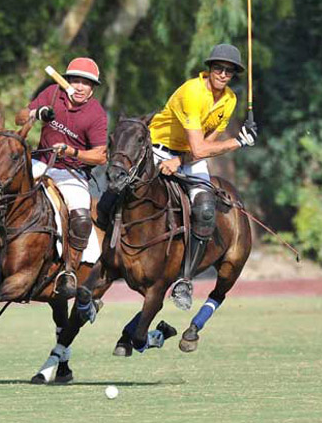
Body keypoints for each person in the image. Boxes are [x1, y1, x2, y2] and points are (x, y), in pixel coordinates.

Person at [98, 44, 256, 310]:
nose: (223, 74)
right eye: (219, 68)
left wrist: (180, 162)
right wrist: (238, 142)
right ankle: (101, 263)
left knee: (206, 209)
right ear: (209, 69)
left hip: (186, 158)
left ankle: (184, 279)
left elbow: (205, 146)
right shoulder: (192, 92)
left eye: (229, 71)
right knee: (116, 194)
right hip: (156, 150)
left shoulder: (229, 100)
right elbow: (202, 147)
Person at [15, 57, 108, 298]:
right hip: (40, 161)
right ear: (67, 81)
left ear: (92, 88)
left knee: (81, 214)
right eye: (75, 81)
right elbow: (19, 117)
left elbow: (100, 156)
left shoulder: (96, 114)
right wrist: (38, 112)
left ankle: (69, 270)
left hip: (72, 172)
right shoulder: (53, 93)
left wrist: (73, 152)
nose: (79, 87)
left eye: (85, 83)